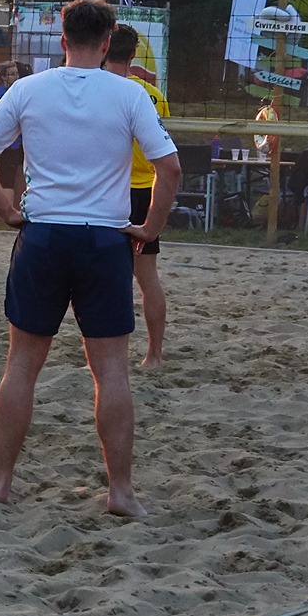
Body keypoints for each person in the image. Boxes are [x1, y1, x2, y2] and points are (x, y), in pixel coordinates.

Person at [0, 0, 179, 519]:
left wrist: (5, 209)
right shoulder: (130, 94)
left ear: (63, 40)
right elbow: (169, 169)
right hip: (104, 240)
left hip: (44, 236)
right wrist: (149, 229)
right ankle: (121, 493)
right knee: (112, 372)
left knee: (21, 365)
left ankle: (1, 482)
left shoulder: (28, 88)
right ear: (108, 44)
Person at [104, 27, 171, 366]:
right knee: (147, 278)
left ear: (103, 49)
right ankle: (154, 355)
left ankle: (105, 356)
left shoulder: (97, 89)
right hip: (145, 191)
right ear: (133, 56)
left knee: (105, 279)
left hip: (107, 192)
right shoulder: (151, 94)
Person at [0, 61, 30, 202]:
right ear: (4, 77)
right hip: (6, 144)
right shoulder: (2, 93)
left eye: (17, 74)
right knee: (5, 180)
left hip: (17, 144)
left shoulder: (16, 91)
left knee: (15, 178)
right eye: (12, 74)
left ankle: (4, 214)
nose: (16, 77)